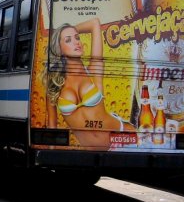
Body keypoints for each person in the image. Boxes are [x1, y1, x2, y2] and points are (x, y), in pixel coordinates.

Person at [46, 18, 134, 147]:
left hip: (123, 137)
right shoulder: (54, 83)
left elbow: (94, 23)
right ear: (58, 49)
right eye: (68, 40)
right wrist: (50, 152)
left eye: (77, 37)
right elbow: (51, 124)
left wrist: (67, 31)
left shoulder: (93, 70)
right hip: (91, 152)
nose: (76, 42)